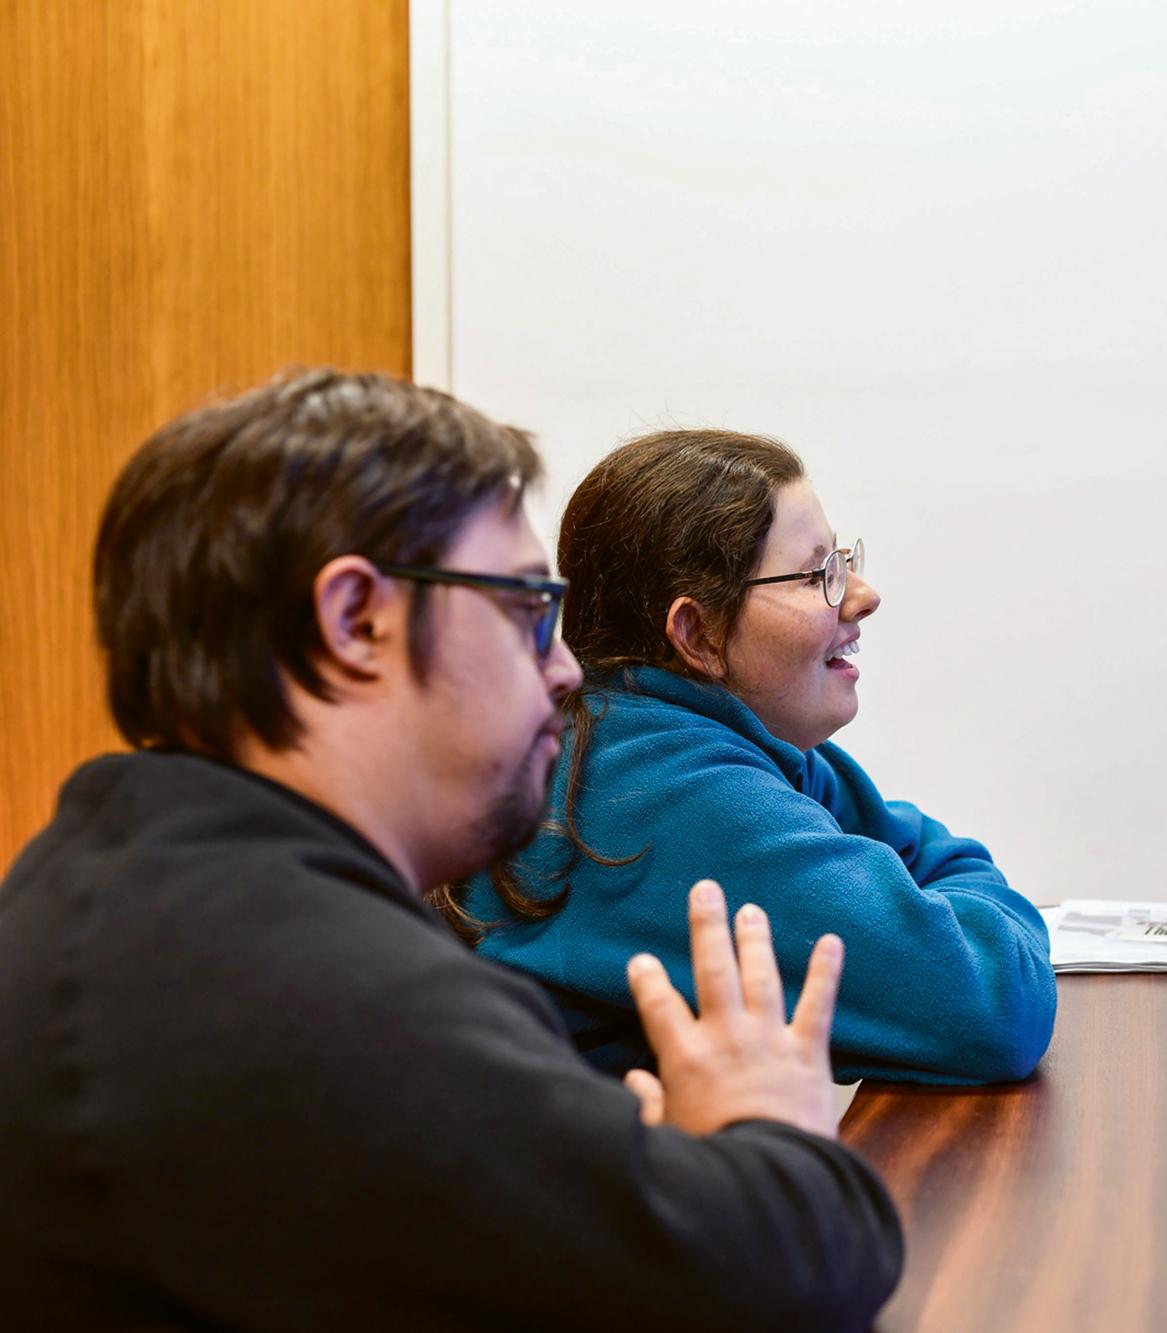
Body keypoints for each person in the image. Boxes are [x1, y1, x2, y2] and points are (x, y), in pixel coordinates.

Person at [0, 372, 902, 1329]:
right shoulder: (307, 989)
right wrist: (768, 1116)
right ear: (356, 621)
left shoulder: (115, 877)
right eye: (525, 611)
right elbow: (790, 1269)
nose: (563, 669)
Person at [454, 430, 1056, 1084]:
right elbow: (995, 1002)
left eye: (845, 561)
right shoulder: (667, 794)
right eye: (819, 574)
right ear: (698, 633)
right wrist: (956, 902)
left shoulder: (690, 735)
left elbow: (912, 852)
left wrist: (935, 895)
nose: (861, 595)